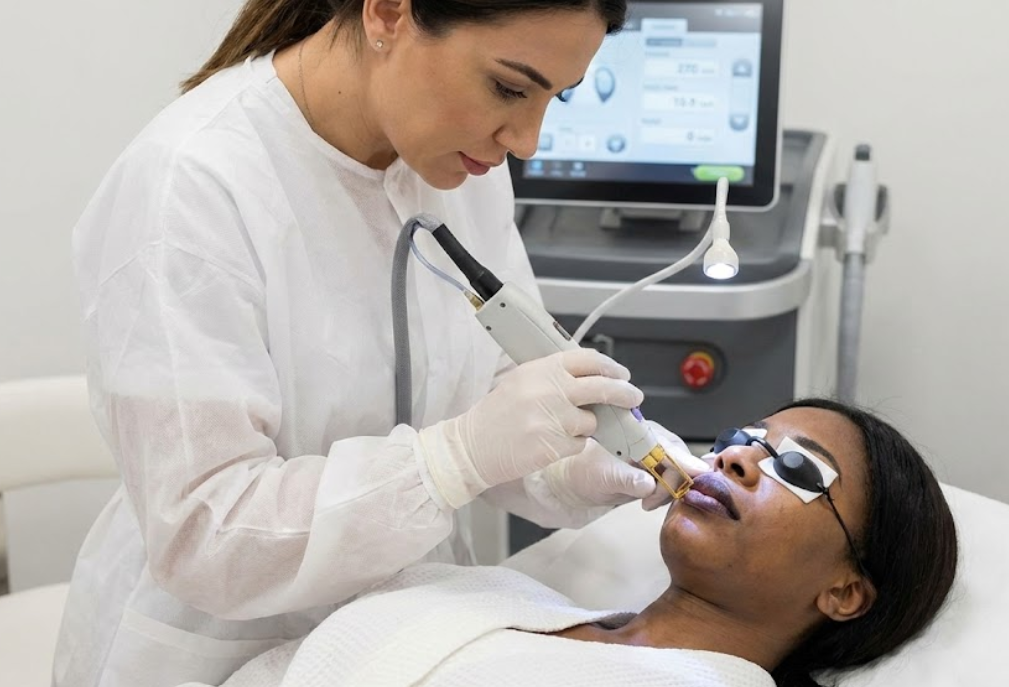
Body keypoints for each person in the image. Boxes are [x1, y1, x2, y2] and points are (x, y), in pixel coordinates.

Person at [54, 1, 709, 685]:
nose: (527, 141)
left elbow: (494, 391)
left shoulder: (460, 165)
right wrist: (447, 462)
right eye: (509, 87)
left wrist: (578, 457)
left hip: (400, 638)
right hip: (219, 652)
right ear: (389, 14)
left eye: (557, 97)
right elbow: (205, 533)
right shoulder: (189, 186)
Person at [203, 398, 960, 687]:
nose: (735, 457)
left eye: (795, 469)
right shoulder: (500, 594)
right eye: (743, 436)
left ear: (844, 591)